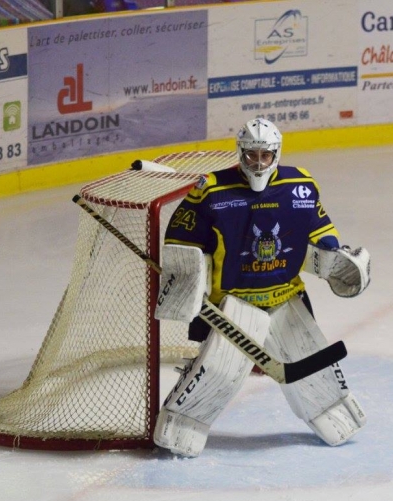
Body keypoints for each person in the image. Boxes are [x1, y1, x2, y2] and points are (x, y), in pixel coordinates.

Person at [151, 118, 370, 457]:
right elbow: (181, 239)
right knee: (218, 373)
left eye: (264, 156)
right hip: (236, 305)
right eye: (250, 155)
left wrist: (333, 253)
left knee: (315, 372)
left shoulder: (301, 185)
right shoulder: (211, 190)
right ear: (240, 154)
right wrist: (188, 279)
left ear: (276, 154)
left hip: (286, 298)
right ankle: (180, 425)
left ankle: (334, 413)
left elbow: (320, 228)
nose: (257, 163)